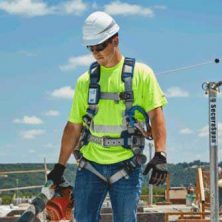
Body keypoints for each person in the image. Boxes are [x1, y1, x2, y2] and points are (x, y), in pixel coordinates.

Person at [47, 11, 168, 222]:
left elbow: (156, 116)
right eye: (91, 49)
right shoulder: (85, 81)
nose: (96, 53)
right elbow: (73, 126)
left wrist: (160, 154)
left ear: (115, 40)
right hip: (91, 166)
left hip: (127, 166)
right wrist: (60, 167)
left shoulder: (142, 74)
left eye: (100, 47)